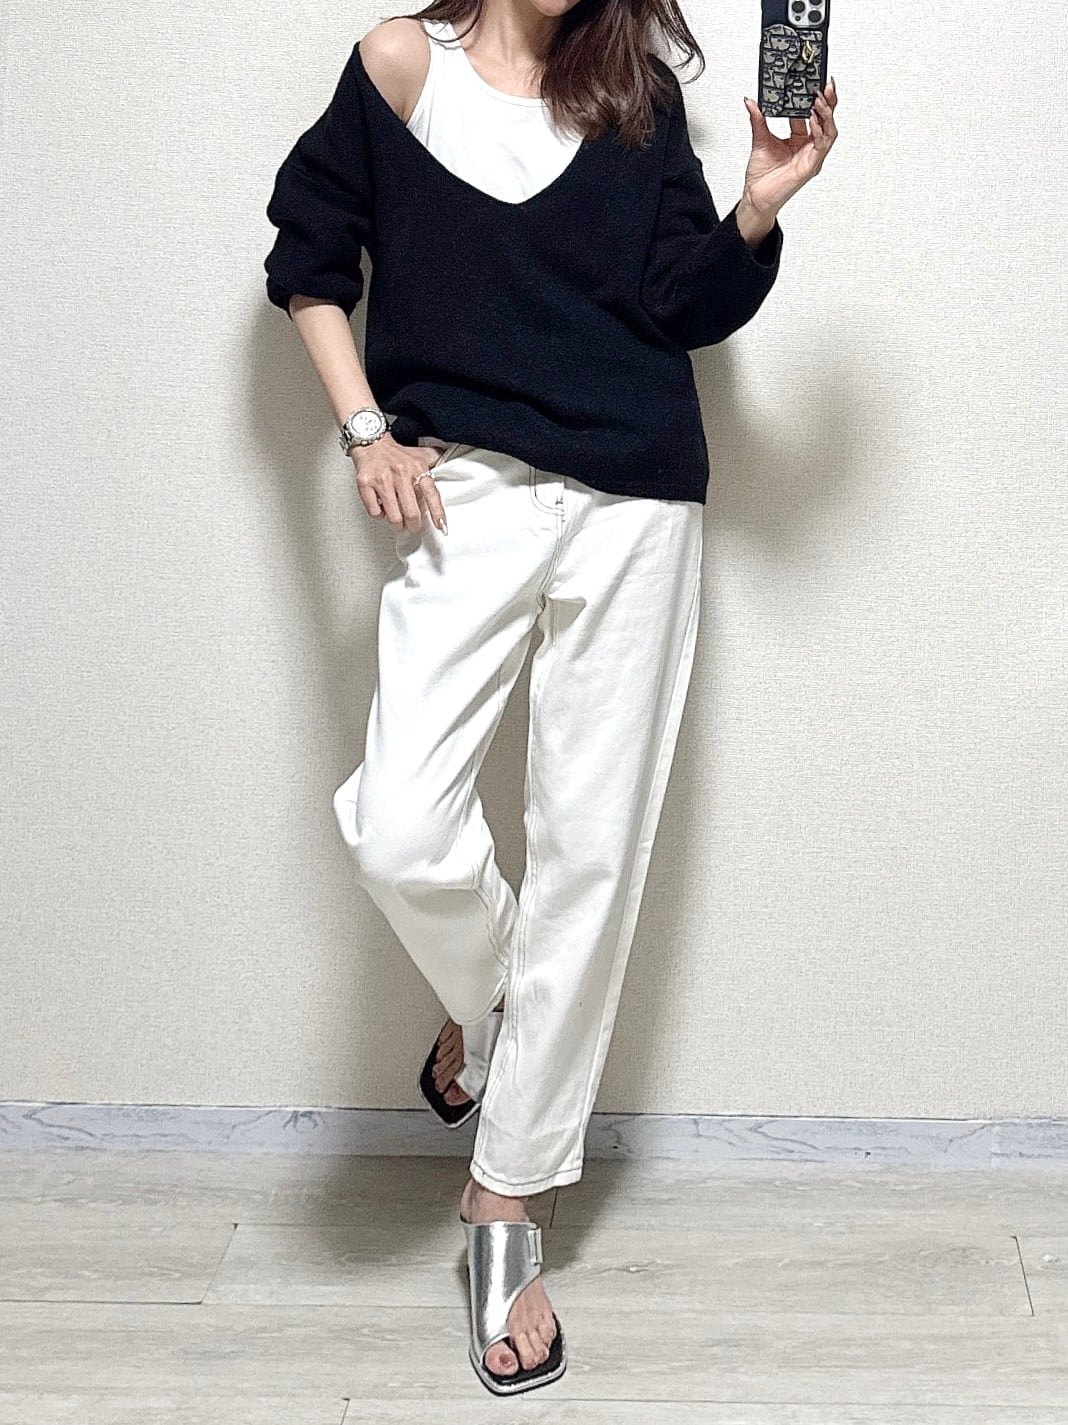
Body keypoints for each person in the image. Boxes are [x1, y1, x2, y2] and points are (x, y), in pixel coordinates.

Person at [263, 0, 837, 1396]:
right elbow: (307, 260)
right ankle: (495, 1016)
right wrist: (363, 430)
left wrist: (758, 206)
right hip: (465, 487)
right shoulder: (401, 65)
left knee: (591, 851)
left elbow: (682, 306)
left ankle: (505, 1199)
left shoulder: (633, 94)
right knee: (399, 826)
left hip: (639, 496)